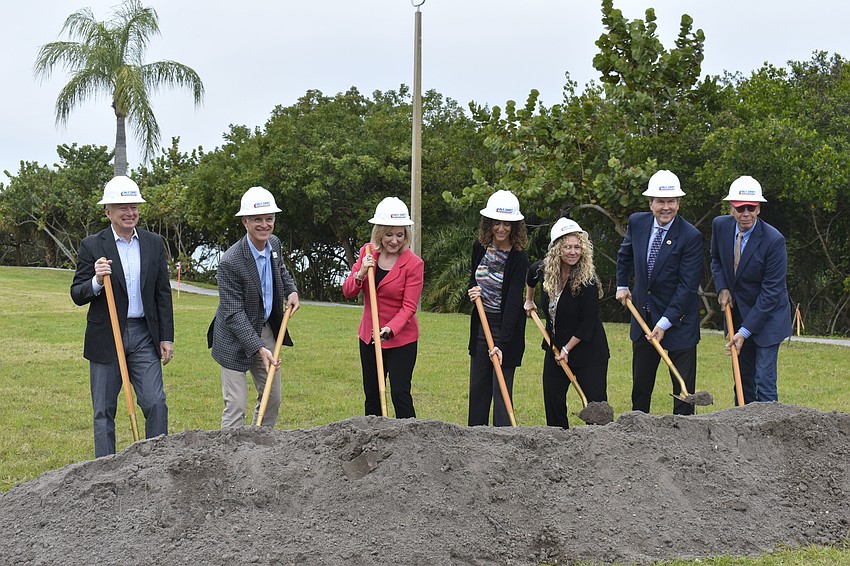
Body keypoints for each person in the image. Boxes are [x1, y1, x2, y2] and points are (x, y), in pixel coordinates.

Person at [70, 175, 173, 458]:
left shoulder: (153, 243)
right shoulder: (92, 245)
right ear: (108, 212)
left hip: (143, 335)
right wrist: (96, 281)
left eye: (134, 207)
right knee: (104, 409)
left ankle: (157, 462)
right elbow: (77, 293)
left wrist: (166, 337)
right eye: (122, 208)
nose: (130, 213)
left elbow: (162, 293)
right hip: (106, 336)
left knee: (156, 402)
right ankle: (105, 469)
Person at [209, 186, 300, 428]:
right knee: (236, 406)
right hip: (232, 338)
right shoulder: (230, 262)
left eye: (269, 219)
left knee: (272, 397)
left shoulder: (274, 245)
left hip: (265, 328)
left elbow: (280, 270)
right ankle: (229, 457)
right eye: (257, 219)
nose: (264, 225)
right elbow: (234, 314)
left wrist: (291, 290)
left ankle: (260, 450)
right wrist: (259, 349)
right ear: (245, 222)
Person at [615, 170, 703, 415]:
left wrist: (664, 324)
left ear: (678, 203)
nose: (666, 207)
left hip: (679, 323)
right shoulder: (637, 222)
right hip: (643, 318)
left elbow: (686, 288)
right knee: (641, 389)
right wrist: (622, 285)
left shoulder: (690, 237)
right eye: (661, 202)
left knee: (683, 394)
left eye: (671, 202)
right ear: (651, 203)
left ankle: (685, 438)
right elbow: (625, 255)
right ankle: (638, 435)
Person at [710, 175, 791, 403]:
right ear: (731, 208)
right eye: (740, 207)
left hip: (769, 317)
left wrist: (744, 332)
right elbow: (716, 259)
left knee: (764, 380)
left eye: (751, 207)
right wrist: (722, 287)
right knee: (742, 379)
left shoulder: (774, 241)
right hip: (738, 312)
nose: (745, 213)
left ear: (759, 209)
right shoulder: (720, 226)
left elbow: (771, 292)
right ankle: (741, 430)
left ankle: (768, 433)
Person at [342, 197, 424, 418]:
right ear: (379, 233)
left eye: (400, 234)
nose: (394, 240)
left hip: (400, 339)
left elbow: (409, 307)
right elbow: (348, 291)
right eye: (389, 234)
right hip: (369, 336)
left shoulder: (414, 263)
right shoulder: (367, 253)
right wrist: (360, 273)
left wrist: (389, 329)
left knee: (399, 394)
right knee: (372, 395)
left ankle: (408, 439)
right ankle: (374, 439)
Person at [524, 218, 610, 428]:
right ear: (556, 249)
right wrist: (528, 301)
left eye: (577, 247)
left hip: (588, 350)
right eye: (567, 247)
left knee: (595, 406)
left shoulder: (586, 280)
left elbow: (588, 322)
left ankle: (601, 445)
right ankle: (558, 441)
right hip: (554, 348)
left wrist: (567, 349)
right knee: (553, 400)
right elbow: (530, 276)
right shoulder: (543, 270)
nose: (573, 252)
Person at [467, 190, 529, 426]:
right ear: (488, 224)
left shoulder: (518, 257)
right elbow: (474, 279)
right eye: (496, 223)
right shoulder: (479, 247)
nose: (501, 228)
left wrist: (501, 344)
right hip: (482, 325)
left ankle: (503, 441)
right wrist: (473, 291)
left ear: (515, 226)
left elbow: (514, 302)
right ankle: (474, 436)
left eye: (507, 224)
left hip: (507, 328)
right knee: (478, 386)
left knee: (501, 389)